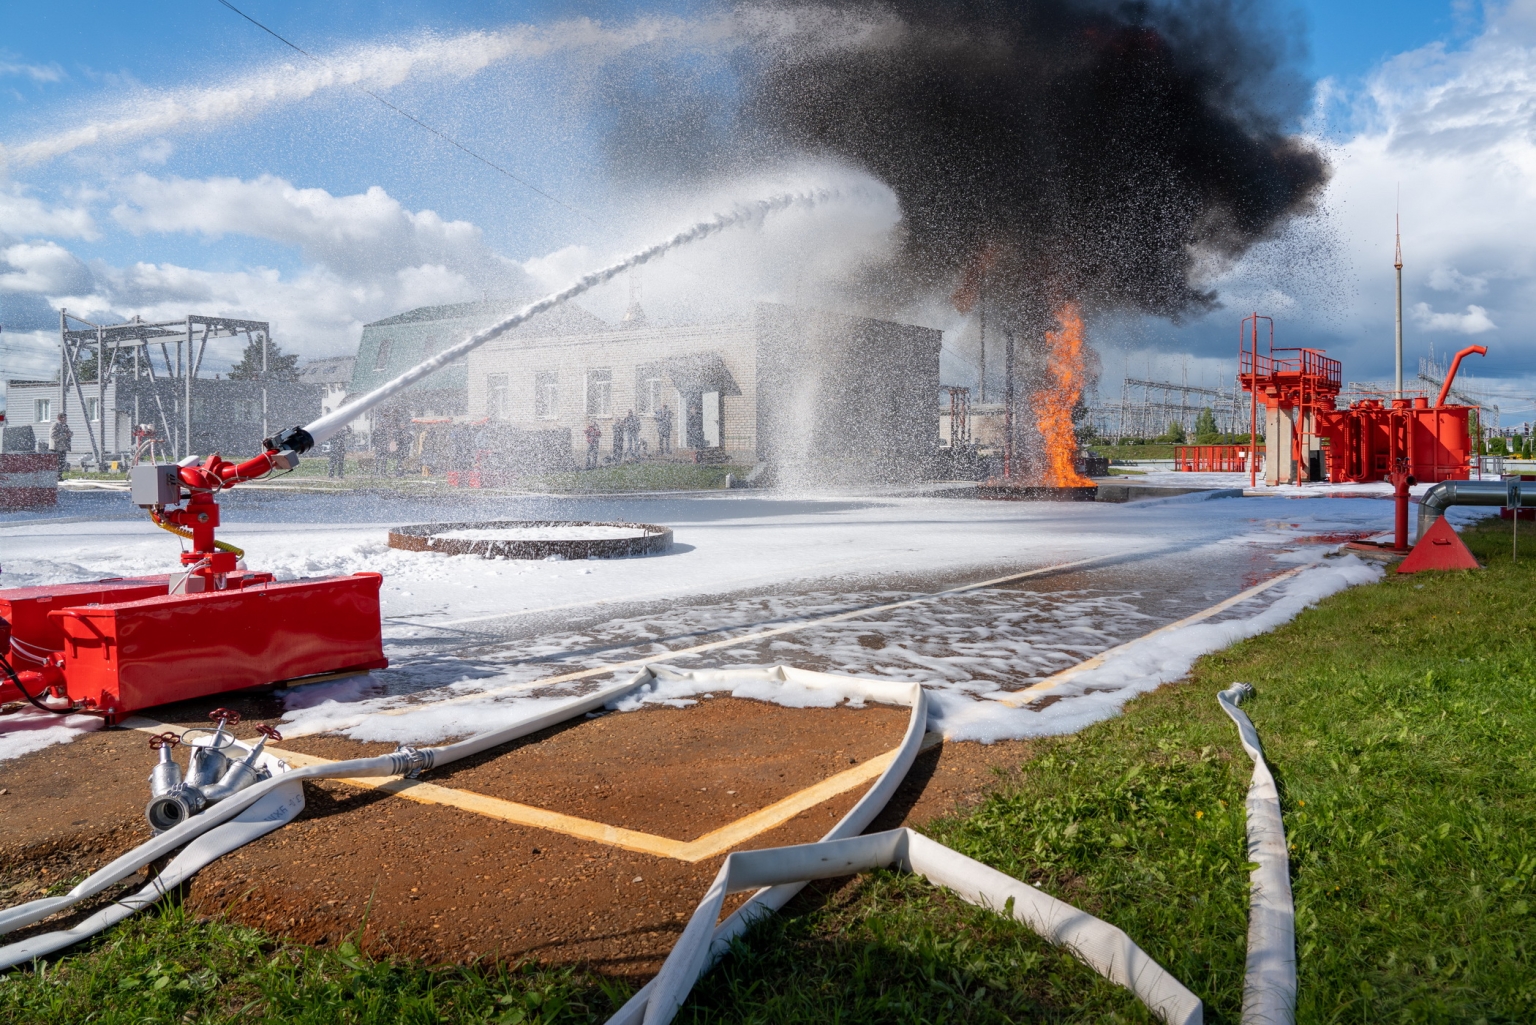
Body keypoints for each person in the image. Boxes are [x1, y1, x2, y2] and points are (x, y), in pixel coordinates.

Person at [48, 413, 72, 479]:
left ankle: (59, 476)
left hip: (62, 448)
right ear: (59, 418)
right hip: (56, 448)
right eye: (64, 418)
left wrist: (70, 434)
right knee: (56, 463)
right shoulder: (55, 425)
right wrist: (64, 435)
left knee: (62, 463)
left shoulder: (64, 426)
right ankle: (54, 477)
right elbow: (53, 436)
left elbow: (68, 433)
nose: (66, 420)